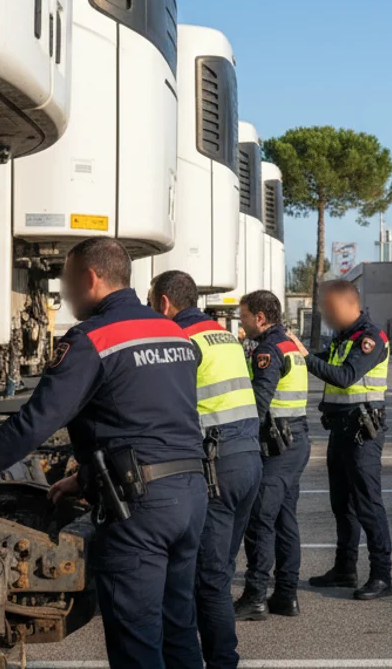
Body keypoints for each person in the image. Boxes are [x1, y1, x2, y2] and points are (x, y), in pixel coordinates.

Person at [0, 237, 208, 669]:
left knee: (138, 641)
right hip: (191, 494)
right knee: (178, 629)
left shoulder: (92, 339)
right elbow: (150, 420)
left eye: (66, 281)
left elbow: (33, 424)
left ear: (90, 278)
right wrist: (84, 479)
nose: (63, 294)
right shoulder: (173, 333)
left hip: (141, 509)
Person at [149, 271, 262, 669]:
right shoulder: (223, 334)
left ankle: (221, 662)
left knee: (209, 580)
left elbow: (167, 405)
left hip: (219, 465)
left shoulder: (181, 339)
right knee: (219, 571)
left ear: (164, 302)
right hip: (248, 458)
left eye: (151, 301)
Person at [285, 280, 392, 601]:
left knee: (368, 505)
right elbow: (324, 362)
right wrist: (294, 352)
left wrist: (305, 356)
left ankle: (382, 575)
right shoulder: (344, 338)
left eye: (328, 308)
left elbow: (344, 376)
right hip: (341, 431)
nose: (324, 314)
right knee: (341, 506)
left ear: (349, 304)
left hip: (363, 433)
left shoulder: (371, 338)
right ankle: (345, 569)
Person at [234, 290, 311, 620]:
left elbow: (259, 404)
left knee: (260, 521)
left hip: (277, 445)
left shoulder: (267, 350)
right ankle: (286, 595)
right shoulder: (289, 344)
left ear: (260, 318)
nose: (242, 323)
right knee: (284, 520)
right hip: (296, 440)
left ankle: (255, 597)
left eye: (244, 317)